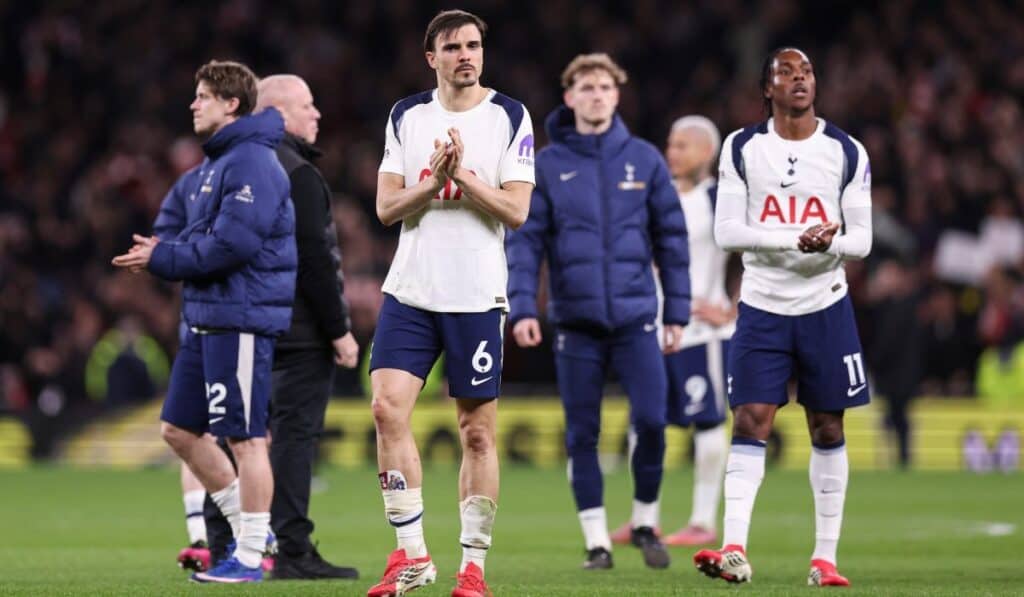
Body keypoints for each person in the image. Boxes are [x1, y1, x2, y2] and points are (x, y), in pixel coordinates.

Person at [366, 10, 535, 597]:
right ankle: (412, 556)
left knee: (477, 433)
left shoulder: (509, 116)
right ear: (430, 57)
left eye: (474, 45)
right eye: (453, 47)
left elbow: (516, 211)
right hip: (411, 288)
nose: (466, 54)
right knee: (386, 410)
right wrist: (432, 184)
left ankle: (473, 568)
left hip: (475, 292)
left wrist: (460, 173)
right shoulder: (406, 115)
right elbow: (387, 209)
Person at [691, 47, 872, 588]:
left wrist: (833, 240)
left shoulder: (846, 150)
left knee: (827, 424)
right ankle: (735, 548)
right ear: (766, 89)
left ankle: (825, 559)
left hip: (825, 303)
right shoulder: (743, 147)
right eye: (786, 73)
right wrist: (796, 237)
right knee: (750, 419)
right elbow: (728, 231)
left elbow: (862, 238)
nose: (799, 79)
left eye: (807, 72)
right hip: (763, 304)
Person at [112, 59, 296, 584]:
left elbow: (234, 244)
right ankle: (251, 534)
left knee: (245, 438)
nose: (193, 104)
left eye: (203, 96)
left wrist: (167, 256)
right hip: (206, 317)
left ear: (231, 103)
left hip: (238, 315)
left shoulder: (253, 163)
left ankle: (253, 553)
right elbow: (177, 234)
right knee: (178, 429)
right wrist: (171, 248)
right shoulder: (214, 166)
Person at [506, 53, 690, 571]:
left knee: (653, 421)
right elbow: (525, 245)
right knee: (581, 434)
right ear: (569, 97)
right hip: (575, 324)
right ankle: (596, 542)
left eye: (605, 87)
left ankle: (646, 523)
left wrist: (677, 311)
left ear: (617, 95)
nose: (596, 95)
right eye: (586, 87)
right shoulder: (545, 164)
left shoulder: (646, 160)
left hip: (637, 321)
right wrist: (522, 307)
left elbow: (672, 242)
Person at [254, 74, 360, 580]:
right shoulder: (298, 173)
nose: (317, 114)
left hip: (250, 325)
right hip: (299, 333)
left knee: (247, 437)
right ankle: (293, 550)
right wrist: (339, 329)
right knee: (295, 438)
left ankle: (232, 543)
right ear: (278, 115)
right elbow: (316, 261)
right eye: (308, 105)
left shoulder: (239, 167)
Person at [610, 115, 733, 548]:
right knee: (643, 421)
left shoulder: (721, 199)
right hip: (650, 325)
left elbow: (755, 255)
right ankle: (646, 518)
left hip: (702, 331)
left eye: (682, 145)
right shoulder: (653, 196)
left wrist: (734, 308)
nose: (672, 152)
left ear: (706, 152)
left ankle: (702, 520)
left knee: (708, 420)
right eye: (670, 143)